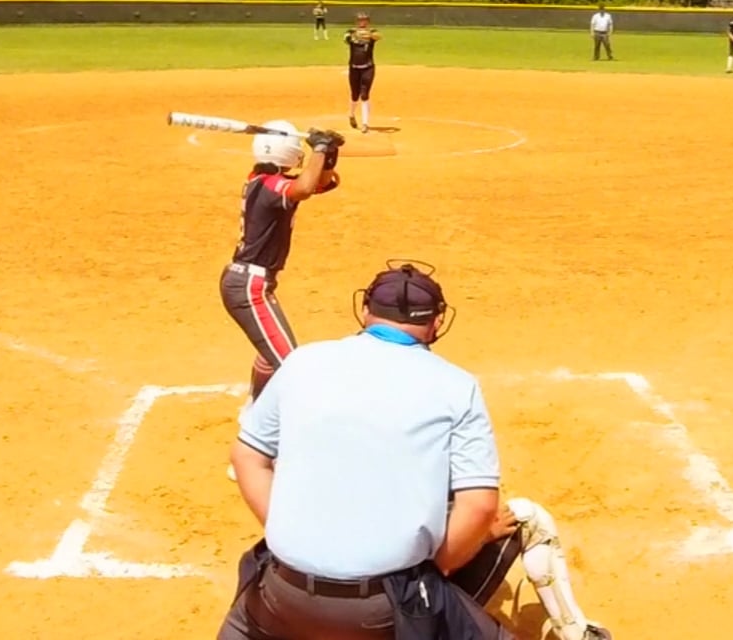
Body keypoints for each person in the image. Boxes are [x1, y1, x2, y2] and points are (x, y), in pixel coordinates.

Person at [219, 262, 614, 640]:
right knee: (527, 519)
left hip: (281, 597)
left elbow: (247, 457)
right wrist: (432, 570)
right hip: (384, 611)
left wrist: (286, 531)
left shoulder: (302, 362)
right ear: (437, 322)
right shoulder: (456, 386)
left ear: (364, 309)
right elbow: (479, 506)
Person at [221, 120, 343, 406]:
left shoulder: (261, 181)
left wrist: (327, 155)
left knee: (270, 351)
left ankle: (254, 407)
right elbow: (305, 188)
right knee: (290, 365)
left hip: (249, 282)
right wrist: (319, 149)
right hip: (248, 287)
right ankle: (260, 420)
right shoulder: (271, 185)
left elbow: (323, 182)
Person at [345, 12, 380, 133]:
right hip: (354, 68)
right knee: (355, 95)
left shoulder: (372, 32)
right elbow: (346, 38)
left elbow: (378, 36)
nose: (362, 22)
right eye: (360, 20)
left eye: (364, 20)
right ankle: (351, 114)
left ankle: (365, 123)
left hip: (368, 67)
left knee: (364, 95)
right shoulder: (350, 31)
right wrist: (357, 35)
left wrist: (367, 34)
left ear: (368, 22)